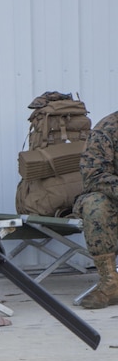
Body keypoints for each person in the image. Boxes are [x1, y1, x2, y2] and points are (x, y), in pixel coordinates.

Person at [73, 110, 118, 309]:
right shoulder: (106, 130)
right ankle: (110, 283)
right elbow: (94, 176)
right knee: (95, 204)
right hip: (112, 198)